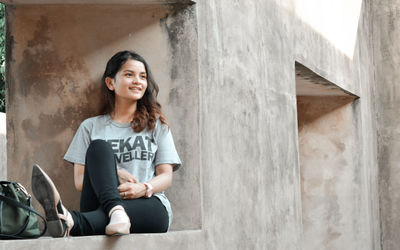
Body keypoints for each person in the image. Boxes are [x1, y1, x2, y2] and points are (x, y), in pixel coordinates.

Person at [31, 50, 181, 237]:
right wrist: (114, 174)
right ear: (110, 83)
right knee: (99, 147)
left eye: (143, 77)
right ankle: (115, 212)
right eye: (129, 74)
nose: (138, 81)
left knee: (150, 212)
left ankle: (72, 221)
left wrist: (142, 188)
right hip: (101, 202)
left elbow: (166, 177)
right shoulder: (91, 127)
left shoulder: (156, 125)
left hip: (147, 203)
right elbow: (80, 182)